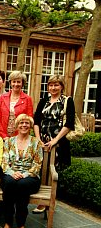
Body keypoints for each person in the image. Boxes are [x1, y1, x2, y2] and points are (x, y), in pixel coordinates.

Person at [33, 74, 75, 214]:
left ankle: (50, 201)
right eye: (51, 85)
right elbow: (36, 121)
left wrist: (55, 140)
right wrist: (38, 139)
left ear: (62, 86)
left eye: (56, 85)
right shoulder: (43, 100)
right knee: (40, 170)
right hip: (42, 141)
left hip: (58, 142)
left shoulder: (67, 101)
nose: (53, 87)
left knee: (53, 171)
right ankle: (41, 200)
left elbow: (69, 123)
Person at [1, 114, 43, 228]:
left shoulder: (36, 143)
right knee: (9, 183)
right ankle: (8, 222)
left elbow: (37, 164)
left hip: (30, 176)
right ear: (17, 126)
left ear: (30, 126)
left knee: (22, 185)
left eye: (27, 123)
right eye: (21, 123)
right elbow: (4, 161)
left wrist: (23, 175)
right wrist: (11, 172)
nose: (24, 125)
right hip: (11, 174)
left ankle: (20, 224)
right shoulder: (8, 141)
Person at [0, 71, 33, 140]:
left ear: (22, 83)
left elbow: (29, 120)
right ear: (10, 83)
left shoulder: (27, 99)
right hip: (1, 137)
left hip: (19, 137)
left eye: (18, 82)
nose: (16, 84)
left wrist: (18, 137)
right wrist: (4, 136)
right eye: (14, 82)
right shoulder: (2, 97)